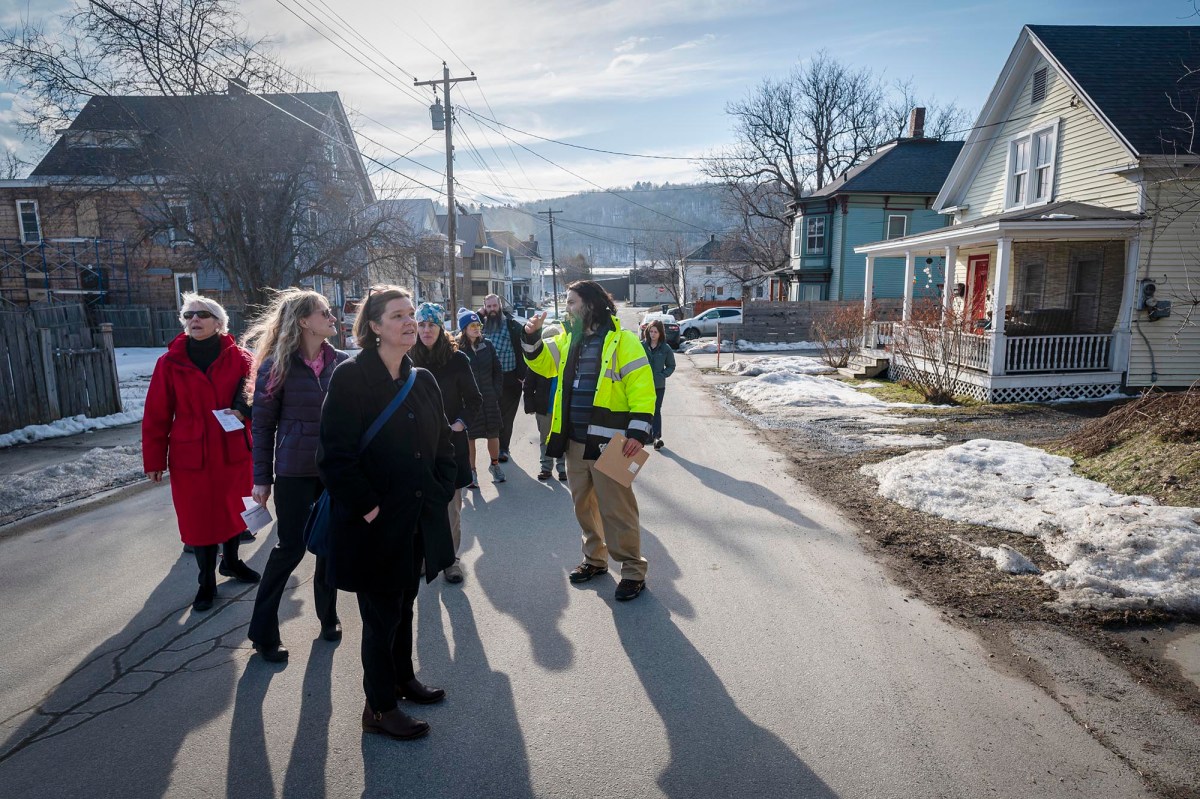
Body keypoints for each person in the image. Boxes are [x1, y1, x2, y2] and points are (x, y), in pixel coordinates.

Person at [317, 285, 457, 741]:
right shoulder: (351, 378)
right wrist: (370, 508)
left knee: (404, 602)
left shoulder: (423, 380)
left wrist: (438, 489)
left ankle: (402, 679)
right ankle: (378, 707)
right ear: (374, 327)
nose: (409, 322)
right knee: (380, 616)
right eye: (397, 315)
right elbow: (335, 457)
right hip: (372, 523)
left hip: (415, 517)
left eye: (411, 314)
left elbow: (442, 444)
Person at [522, 280, 657, 602]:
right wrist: (530, 336)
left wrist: (638, 433)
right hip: (576, 442)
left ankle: (632, 571)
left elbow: (642, 388)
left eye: (571, 302)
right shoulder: (569, 339)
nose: (566, 307)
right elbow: (540, 362)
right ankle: (595, 560)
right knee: (583, 507)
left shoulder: (623, 341)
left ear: (590, 304)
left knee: (618, 511)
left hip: (616, 444)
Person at [243, 289, 346, 663]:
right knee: (290, 549)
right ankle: (263, 632)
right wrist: (262, 478)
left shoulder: (341, 363)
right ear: (304, 321)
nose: (332, 317)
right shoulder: (276, 366)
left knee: (330, 546)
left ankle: (328, 616)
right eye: (324, 312)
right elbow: (263, 426)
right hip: (294, 472)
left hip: (333, 472)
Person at [142, 293, 261, 613]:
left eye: (203, 315)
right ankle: (206, 581)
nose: (195, 320)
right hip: (190, 453)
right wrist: (153, 460)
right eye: (189, 315)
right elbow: (156, 413)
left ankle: (233, 563)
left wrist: (241, 410)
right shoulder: (170, 362)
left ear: (219, 323)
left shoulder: (241, 358)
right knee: (200, 519)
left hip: (233, 448)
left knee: (234, 510)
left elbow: (256, 393)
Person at [410, 302, 482, 584]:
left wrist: (459, 424)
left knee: (451, 506)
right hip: (415, 445)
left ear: (441, 328)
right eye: (422, 325)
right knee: (419, 505)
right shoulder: (406, 357)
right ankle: (425, 557)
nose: (426, 330)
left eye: (432, 325)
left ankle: (450, 560)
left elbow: (474, 400)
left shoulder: (457, 359)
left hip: (450, 445)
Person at [457, 307, 504, 486]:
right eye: (472, 325)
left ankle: (495, 465)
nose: (476, 328)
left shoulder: (488, 345)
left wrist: (496, 391)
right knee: (470, 438)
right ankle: (472, 472)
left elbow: (497, 370)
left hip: (489, 399)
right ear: (464, 329)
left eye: (478, 324)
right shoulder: (457, 348)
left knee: (493, 434)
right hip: (468, 402)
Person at [478, 294, 527, 463]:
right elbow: (464, 338)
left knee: (507, 415)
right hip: (488, 379)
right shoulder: (480, 326)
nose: (492, 309)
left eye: (494, 306)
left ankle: (503, 448)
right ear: (485, 308)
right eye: (488, 307)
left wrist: (522, 374)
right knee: (493, 413)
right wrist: (478, 316)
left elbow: (523, 350)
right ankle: (495, 446)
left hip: (510, 378)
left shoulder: (513, 326)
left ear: (500, 306)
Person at [522, 368, 566, 482]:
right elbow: (528, 384)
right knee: (545, 438)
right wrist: (530, 405)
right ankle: (546, 468)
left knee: (563, 438)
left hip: (563, 408)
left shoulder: (566, 356)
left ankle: (562, 469)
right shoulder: (540, 359)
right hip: (544, 408)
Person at [641, 319, 676, 451]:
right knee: (644, 410)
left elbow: (671, 366)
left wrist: (662, 375)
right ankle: (645, 435)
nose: (653, 334)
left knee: (656, 410)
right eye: (651, 331)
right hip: (643, 385)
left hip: (658, 386)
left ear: (660, 333)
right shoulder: (641, 346)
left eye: (655, 332)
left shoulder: (665, 349)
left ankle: (656, 438)